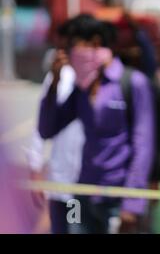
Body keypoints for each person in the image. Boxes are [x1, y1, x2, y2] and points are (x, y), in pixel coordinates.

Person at [38, 14, 155, 234]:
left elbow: (143, 145)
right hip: (83, 194)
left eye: (71, 47)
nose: (68, 56)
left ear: (94, 43)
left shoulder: (133, 83)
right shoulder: (81, 88)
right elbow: (47, 129)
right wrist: (54, 83)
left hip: (117, 198)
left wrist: (132, 202)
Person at [27, 16, 85, 234]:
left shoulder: (94, 79)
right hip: (59, 179)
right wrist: (35, 167)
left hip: (81, 184)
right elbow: (42, 125)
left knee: (76, 229)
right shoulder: (57, 77)